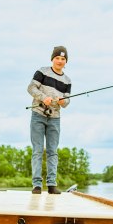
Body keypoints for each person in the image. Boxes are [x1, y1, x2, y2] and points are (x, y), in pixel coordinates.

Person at [27, 46, 72, 194]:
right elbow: (31, 88)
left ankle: (52, 185)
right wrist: (43, 97)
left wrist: (61, 101)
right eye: (57, 58)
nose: (60, 61)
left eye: (63, 59)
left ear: (66, 61)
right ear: (52, 59)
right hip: (38, 115)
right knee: (38, 150)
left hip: (55, 119)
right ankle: (37, 185)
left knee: (53, 152)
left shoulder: (67, 80)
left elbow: (67, 102)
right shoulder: (42, 71)